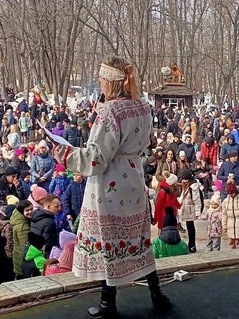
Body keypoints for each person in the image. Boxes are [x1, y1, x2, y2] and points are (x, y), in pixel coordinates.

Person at [52, 55, 171, 317]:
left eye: (101, 78)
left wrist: (65, 155)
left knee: (110, 242)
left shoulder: (111, 111)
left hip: (110, 185)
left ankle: (108, 303)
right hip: (133, 178)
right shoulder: (142, 106)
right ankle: (156, 294)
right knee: (138, 241)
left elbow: (95, 158)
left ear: (109, 81)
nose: (99, 82)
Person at [178, 169, 201, 253]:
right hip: (186, 209)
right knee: (189, 227)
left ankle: (192, 245)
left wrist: (198, 213)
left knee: (191, 228)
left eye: (184, 179)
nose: (183, 181)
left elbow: (197, 200)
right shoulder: (185, 185)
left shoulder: (193, 187)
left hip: (190, 210)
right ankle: (191, 244)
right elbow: (182, 196)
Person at [11, 200, 34, 279]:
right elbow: (26, 246)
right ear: (21, 211)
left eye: (31, 209)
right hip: (22, 261)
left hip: (19, 257)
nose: (30, 212)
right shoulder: (22, 226)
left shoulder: (20, 220)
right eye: (27, 210)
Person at [221, 179, 239, 249]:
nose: (231, 195)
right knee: (231, 244)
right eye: (229, 193)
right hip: (230, 226)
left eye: (232, 193)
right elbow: (224, 215)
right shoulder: (226, 201)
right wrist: (224, 226)